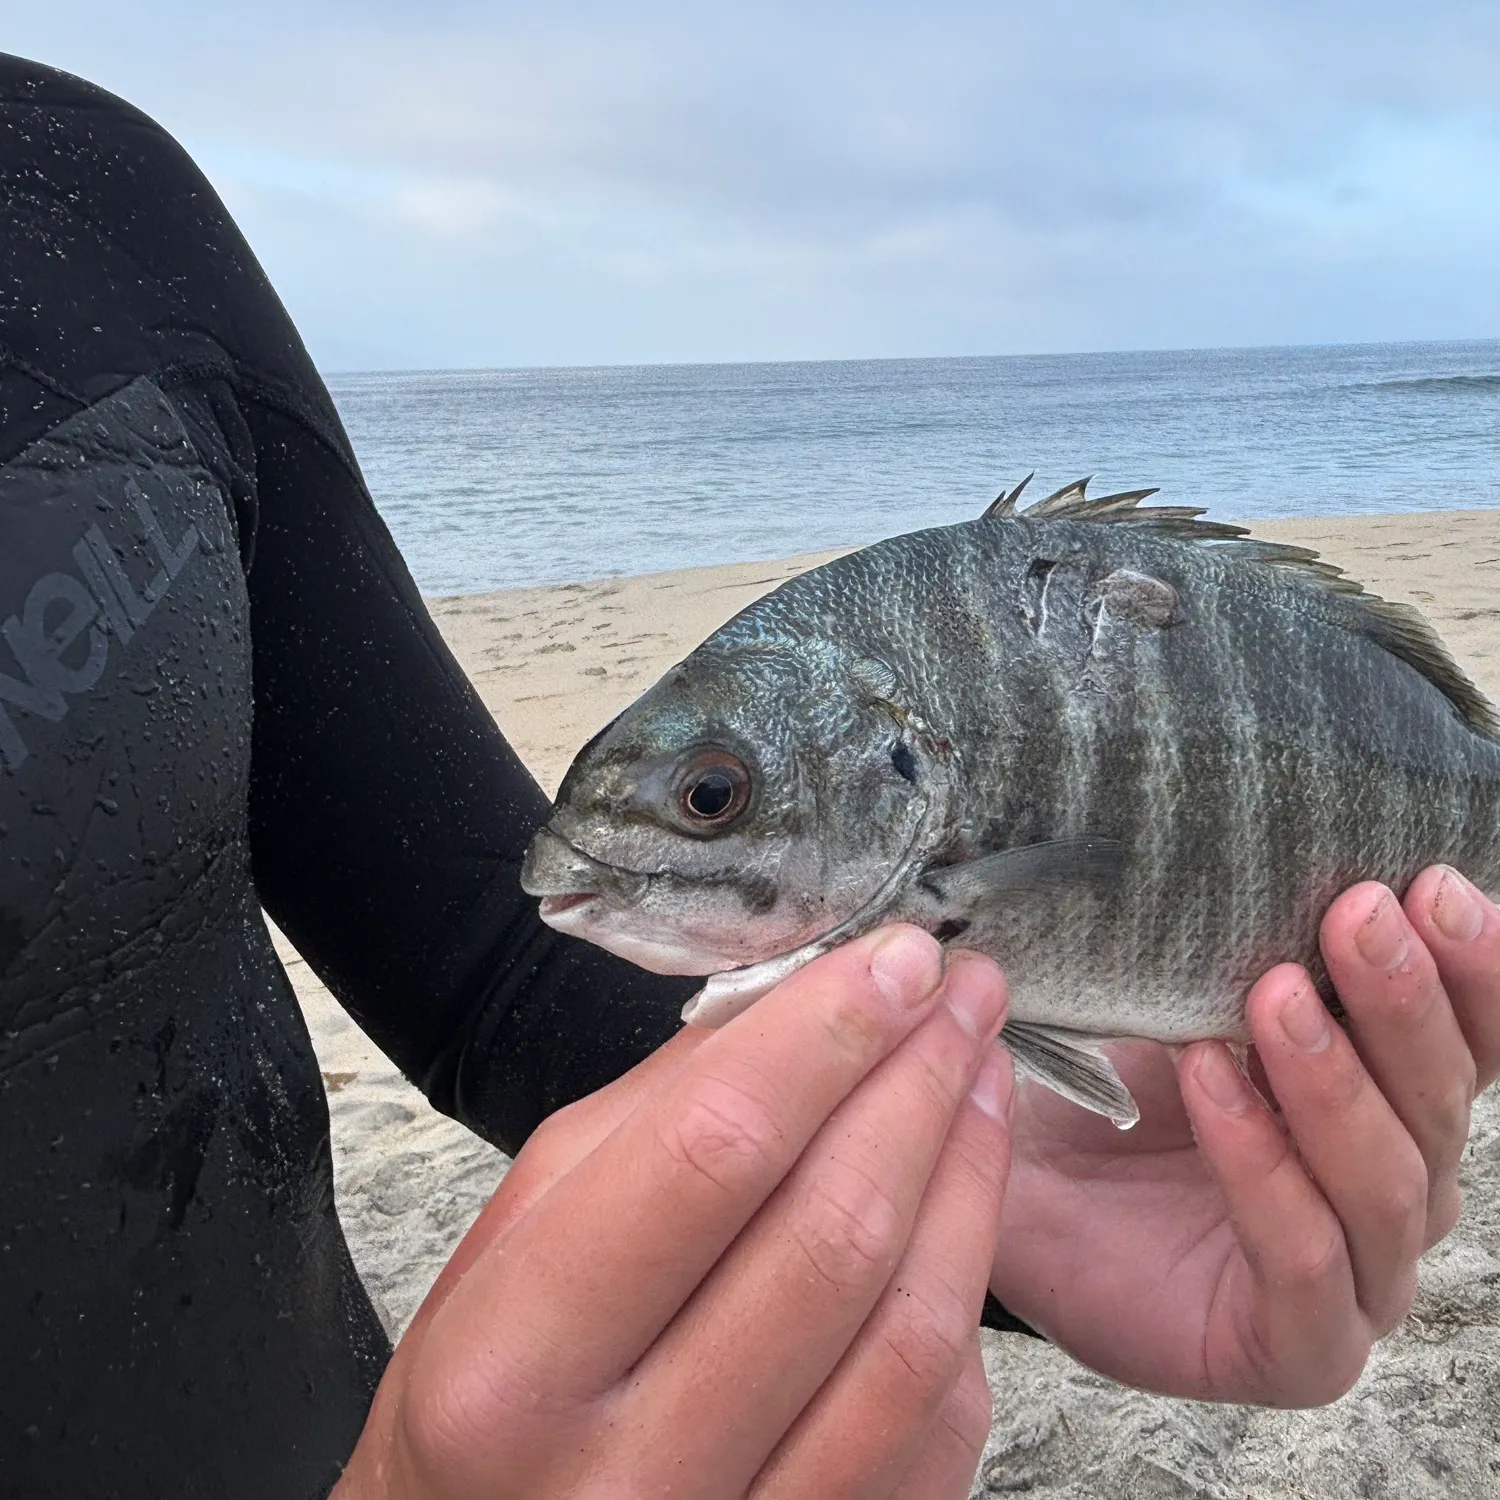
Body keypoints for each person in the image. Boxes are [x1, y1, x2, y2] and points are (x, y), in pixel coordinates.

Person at [2, 52, 1495, 1500]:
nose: (668, 826)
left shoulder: (95, 198)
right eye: (713, 795)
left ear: (907, 766)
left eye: (712, 794)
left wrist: (1010, 1204)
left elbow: (491, 967)